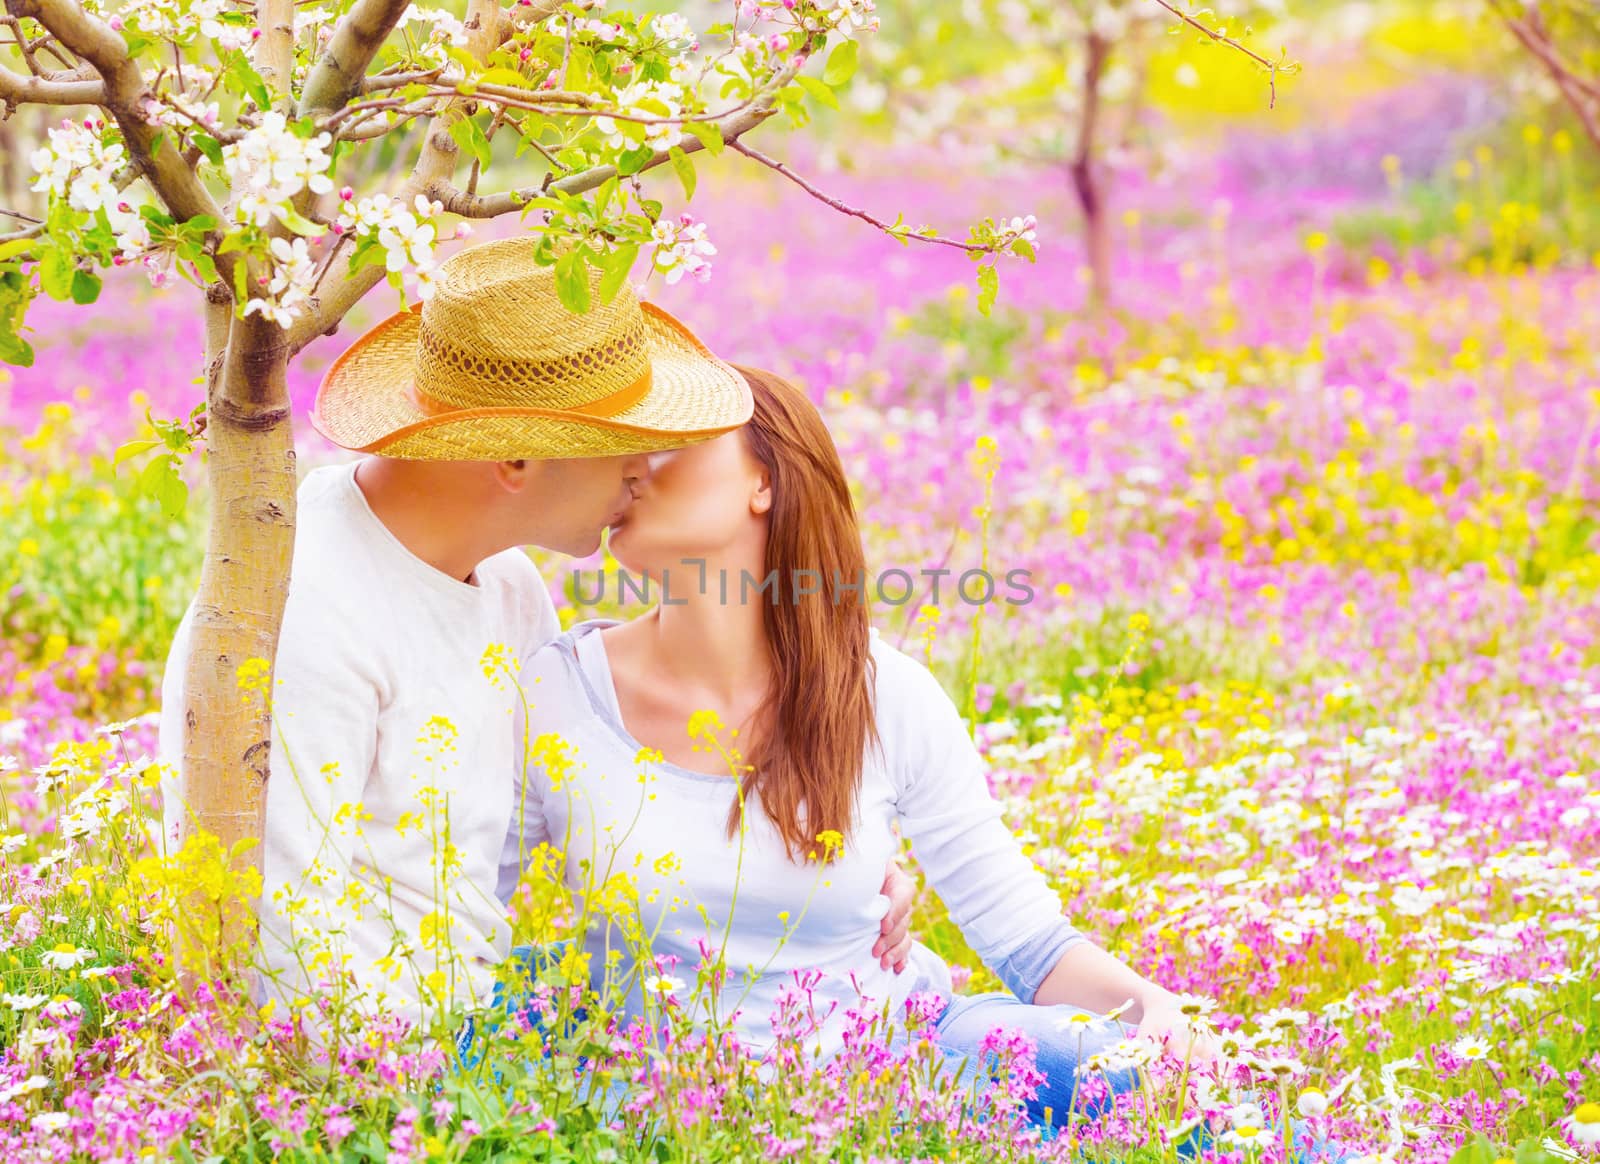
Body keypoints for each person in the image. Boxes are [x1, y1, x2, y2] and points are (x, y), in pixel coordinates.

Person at [156, 239, 915, 1033]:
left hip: (480, 1005)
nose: (644, 466)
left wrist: (834, 883)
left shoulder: (510, 590)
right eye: (621, 434)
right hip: (385, 1073)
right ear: (516, 456)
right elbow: (282, 951)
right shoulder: (308, 606)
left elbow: (584, 803)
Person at [496, 365, 1210, 1133]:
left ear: (761, 482)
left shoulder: (883, 693)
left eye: (668, 444)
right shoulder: (556, 692)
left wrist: (1157, 1012)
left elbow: (1028, 942)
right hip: (658, 1108)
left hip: (897, 1076)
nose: (630, 466)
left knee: (1120, 1073)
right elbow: (461, 913)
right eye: (623, 446)